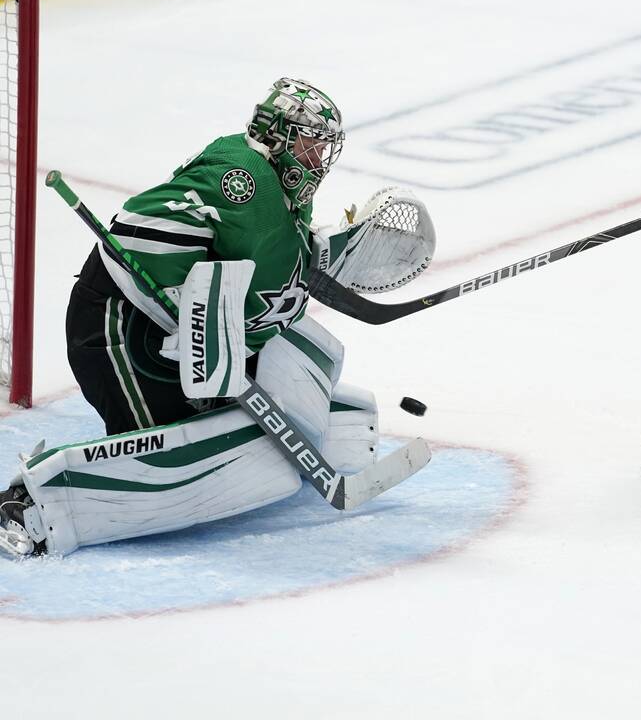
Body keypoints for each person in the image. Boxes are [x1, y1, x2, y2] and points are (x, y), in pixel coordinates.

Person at [0, 78, 436, 558]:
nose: (317, 158)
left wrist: (322, 252)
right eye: (309, 143)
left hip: (167, 326)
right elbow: (256, 302)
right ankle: (30, 505)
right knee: (193, 451)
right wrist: (312, 270)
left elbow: (261, 285)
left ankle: (330, 429)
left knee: (273, 369)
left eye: (321, 147)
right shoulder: (248, 187)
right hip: (119, 328)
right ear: (277, 135)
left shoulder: (275, 183)